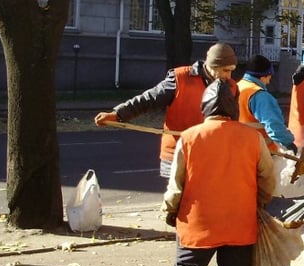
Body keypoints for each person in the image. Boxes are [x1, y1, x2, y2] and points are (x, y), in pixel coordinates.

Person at [161, 79, 276, 266]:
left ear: (205, 107)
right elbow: (268, 178)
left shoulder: (189, 138)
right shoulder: (252, 138)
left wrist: (169, 209)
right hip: (240, 220)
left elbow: (176, 184)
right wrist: (260, 201)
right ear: (233, 108)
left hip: (197, 222)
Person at [95, 43, 238, 178]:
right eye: (226, 70)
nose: (229, 76)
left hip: (210, 157)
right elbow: (148, 99)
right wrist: (118, 114)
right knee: (177, 201)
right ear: (213, 65)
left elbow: (233, 122)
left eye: (232, 71)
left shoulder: (231, 87)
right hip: (177, 155)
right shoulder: (180, 78)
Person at [237, 54, 297, 154]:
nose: (269, 82)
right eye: (269, 77)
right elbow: (273, 124)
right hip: (260, 152)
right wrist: (289, 142)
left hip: (239, 148)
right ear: (264, 75)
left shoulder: (237, 87)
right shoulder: (260, 95)